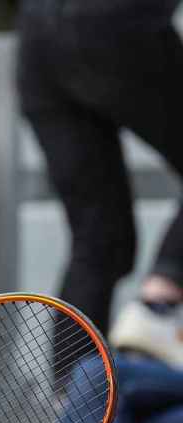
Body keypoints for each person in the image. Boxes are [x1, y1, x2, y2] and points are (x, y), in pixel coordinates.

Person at [15, 0, 183, 357]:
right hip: (117, 22)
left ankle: (76, 398)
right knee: (99, 236)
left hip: (39, 37)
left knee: (99, 238)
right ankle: (159, 306)